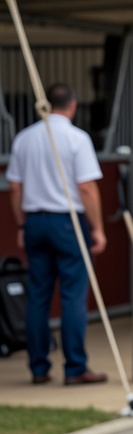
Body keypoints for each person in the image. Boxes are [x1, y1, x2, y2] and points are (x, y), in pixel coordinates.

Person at [6, 83, 108, 386]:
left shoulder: (24, 138)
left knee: (38, 297)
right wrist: (98, 229)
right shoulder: (77, 138)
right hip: (68, 223)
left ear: (47, 105)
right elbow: (87, 187)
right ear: (73, 105)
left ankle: (38, 367)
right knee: (72, 297)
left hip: (35, 222)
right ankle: (75, 367)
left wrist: (22, 225)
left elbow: (14, 187)